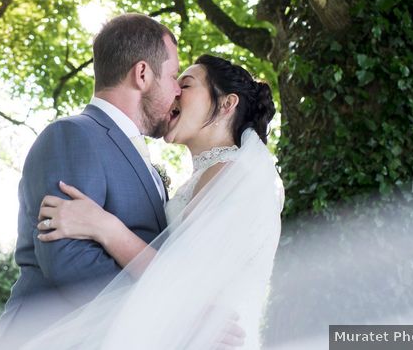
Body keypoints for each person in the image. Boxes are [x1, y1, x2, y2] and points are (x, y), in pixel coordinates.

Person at [24, 54, 284, 349]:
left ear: (227, 104)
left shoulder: (231, 174)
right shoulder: (211, 175)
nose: (174, 91)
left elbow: (180, 279)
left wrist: (105, 227)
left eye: (185, 84)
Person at [0, 13, 183, 349]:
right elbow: (67, 261)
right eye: (174, 76)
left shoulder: (149, 166)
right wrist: (172, 311)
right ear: (142, 74)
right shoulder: (71, 135)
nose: (178, 90)